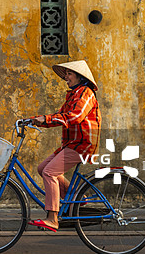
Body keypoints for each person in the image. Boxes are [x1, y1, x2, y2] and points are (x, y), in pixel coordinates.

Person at [28, 60, 101, 232]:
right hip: (71, 144)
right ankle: (77, 196)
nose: (66, 77)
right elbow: (60, 115)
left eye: (69, 74)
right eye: (66, 74)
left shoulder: (86, 93)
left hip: (82, 145)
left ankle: (52, 218)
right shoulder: (73, 94)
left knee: (50, 172)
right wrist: (35, 120)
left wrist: (45, 119)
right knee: (42, 168)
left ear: (80, 77)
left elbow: (75, 116)